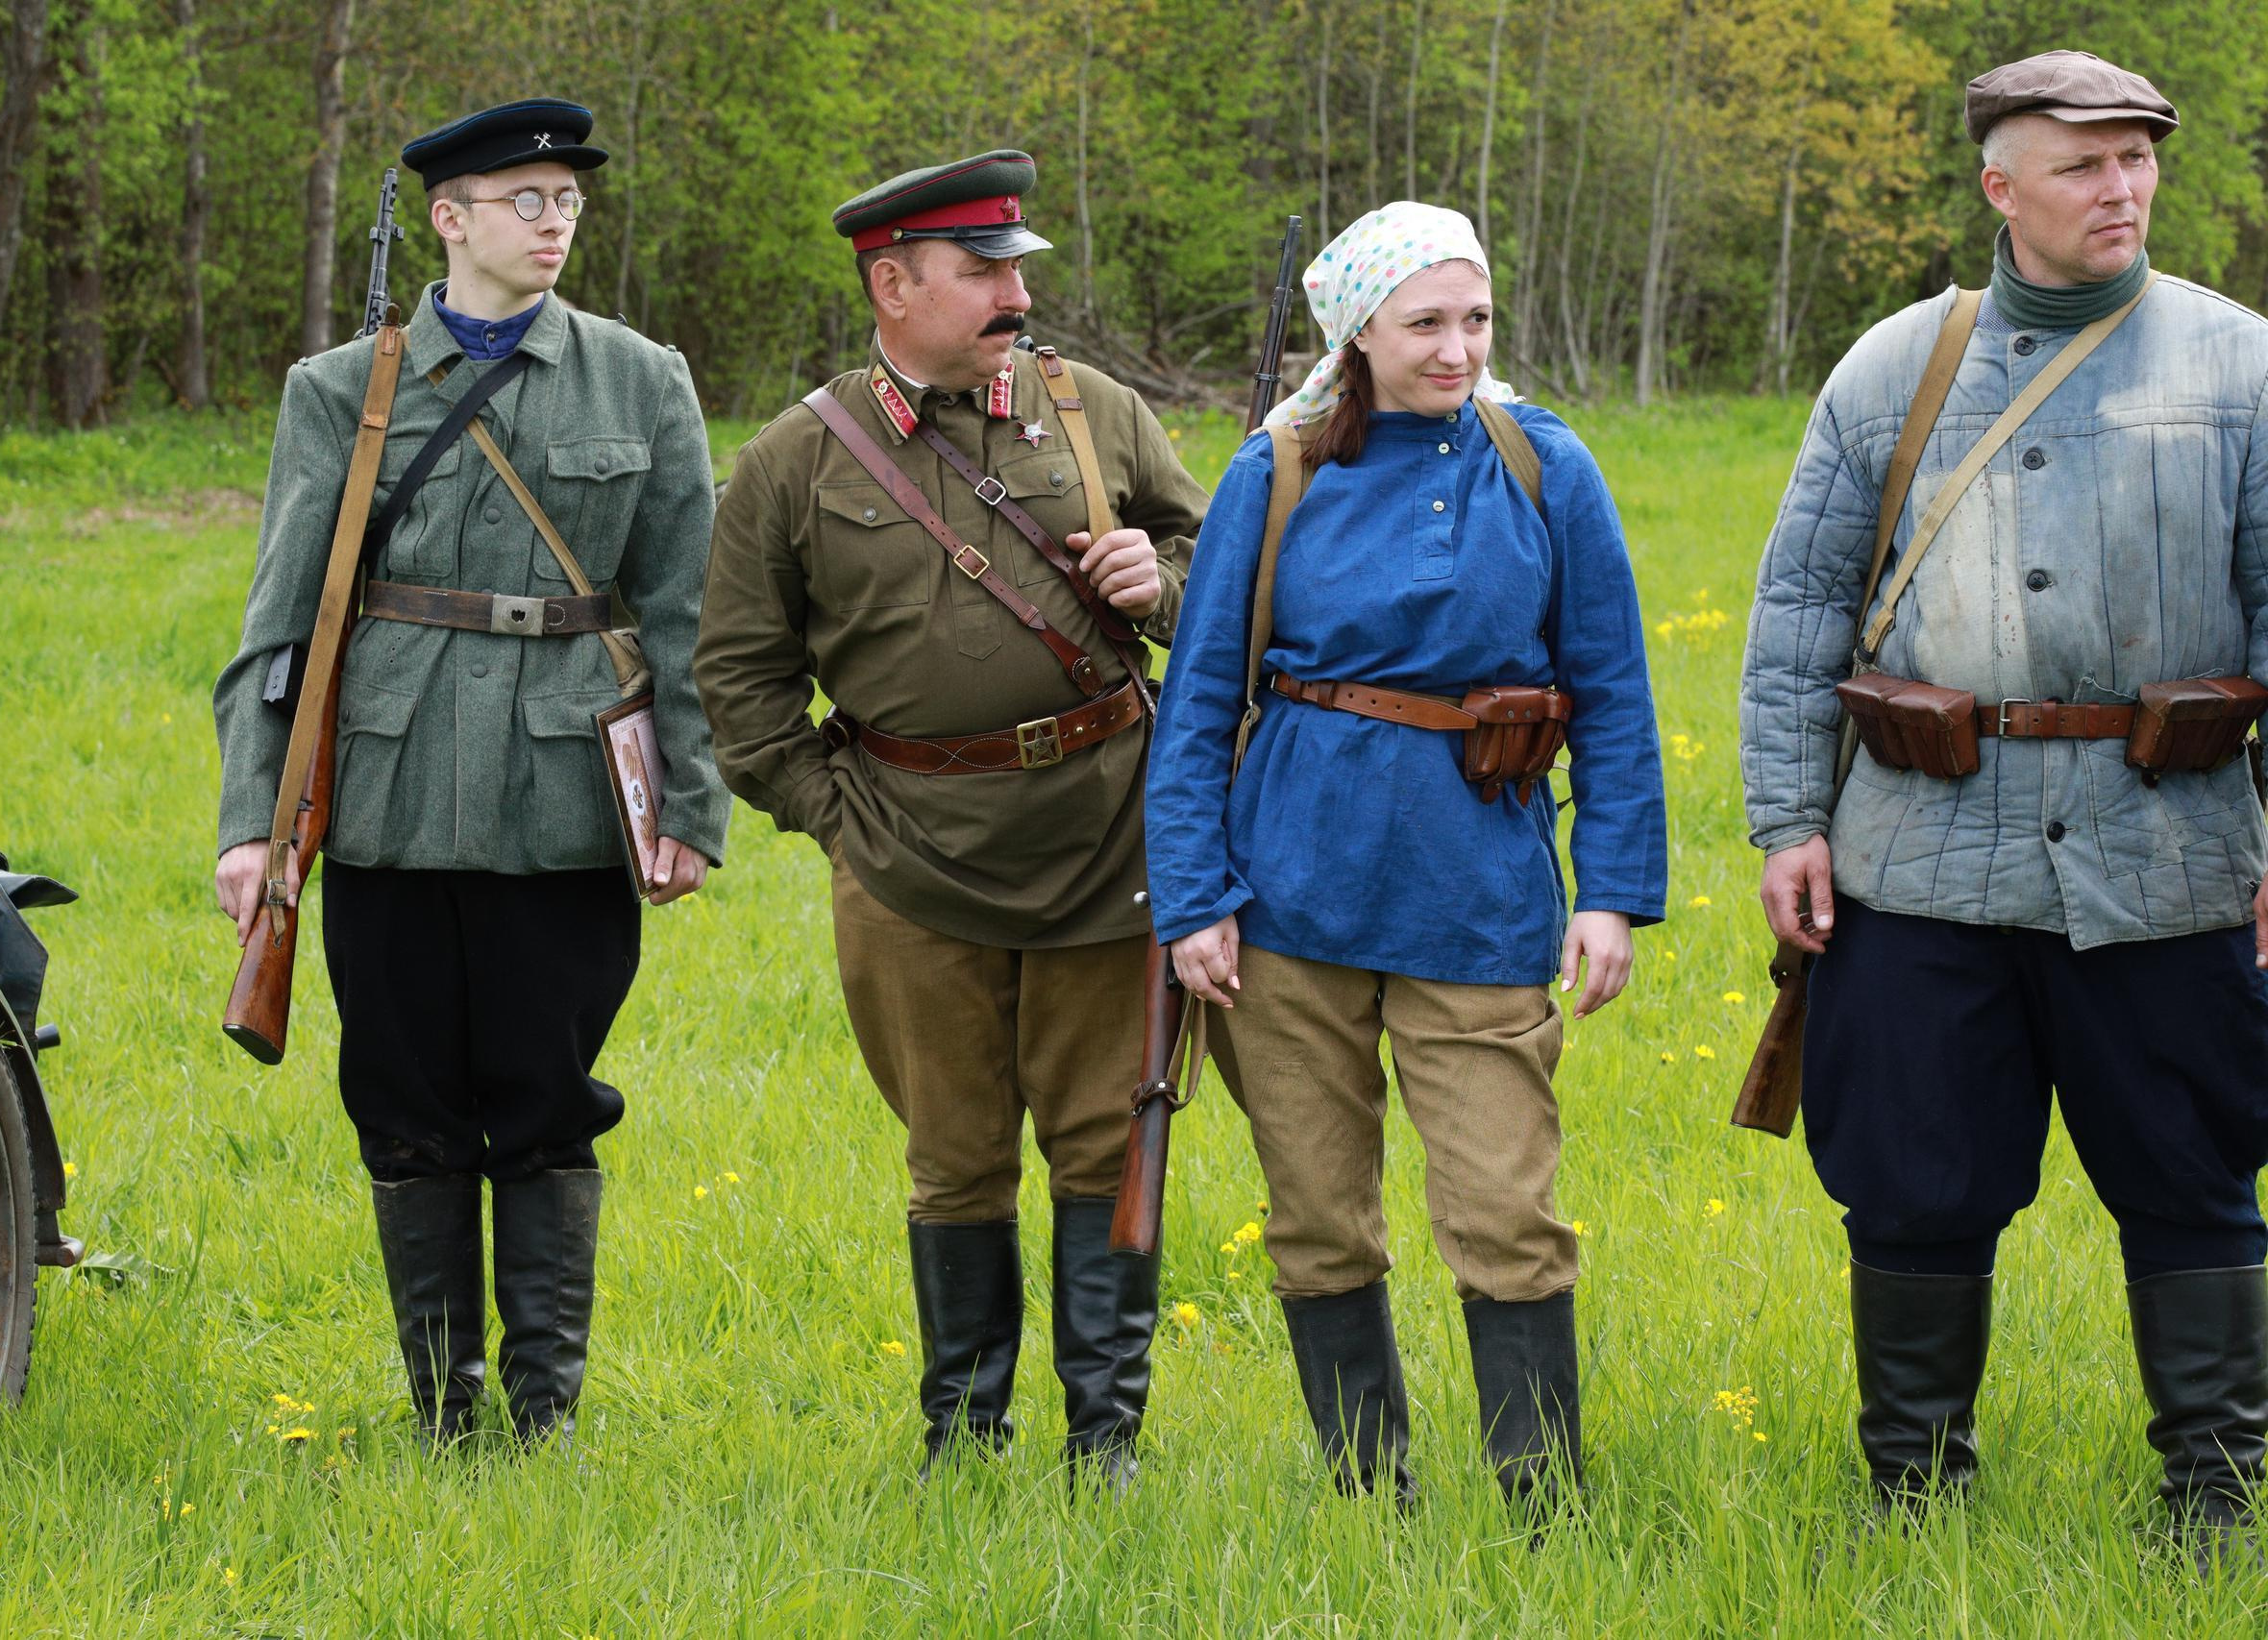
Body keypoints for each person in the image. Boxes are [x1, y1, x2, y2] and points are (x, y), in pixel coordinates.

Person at [1739, 51, 2268, 1552]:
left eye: (2138, 160)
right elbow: (1796, 612)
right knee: (1911, 1186)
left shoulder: (2242, 365)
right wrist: (1788, 823)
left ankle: (2216, 1505)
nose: (2123, 188)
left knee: (2194, 1175)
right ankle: (1913, 1496)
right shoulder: (1891, 368)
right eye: (2084, 164)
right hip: (1918, 859)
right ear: (2000, 186)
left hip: (2164, 855)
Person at [212, 98, 729, 1446]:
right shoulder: (342, 389)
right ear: (450, 219)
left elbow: (687, 617)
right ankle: (445, 1412)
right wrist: (253, 828)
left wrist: (689, 808)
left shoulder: (642, 379)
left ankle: (541, 1415)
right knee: (406, 1111)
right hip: (383, 803)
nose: (554, 223)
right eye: (525, 201)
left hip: (566, 806)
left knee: (548, 1104)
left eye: (566, 201)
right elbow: (281, 629)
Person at [695, 150, 1207, 1485]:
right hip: (910, 863)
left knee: (1108, 1141)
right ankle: (965, 1447)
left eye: (1016, 268)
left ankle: (1108, 1446)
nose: (1013, 293)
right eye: (982, 271)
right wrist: (835, 814)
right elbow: (741, 679)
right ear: (893, 283)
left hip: (1109, 842)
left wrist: (1162, 582)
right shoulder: (794, 460)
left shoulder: (1094, 411)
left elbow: (1226, 579)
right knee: (956, 1156)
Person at [1146, 203, 1666, 1508]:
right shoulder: (1278, 473)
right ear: (1359, 330)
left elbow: (1613, 692)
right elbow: (1203, 697)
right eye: (1424, 322)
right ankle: (1370, 1496)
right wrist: (1196, 898)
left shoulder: (1545, 465)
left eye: (1474, 319)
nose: (1455, 347)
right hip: (1289, 897)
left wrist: (1609, 892)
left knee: (1506, 1210)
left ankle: (1543, 1506)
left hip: (1478, 895)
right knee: (1318, 1216)